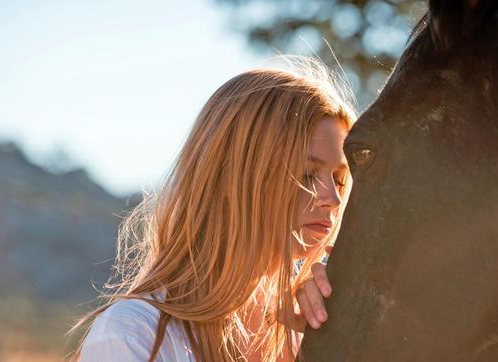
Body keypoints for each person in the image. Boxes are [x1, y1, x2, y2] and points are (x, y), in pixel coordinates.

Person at [72, 57, 356, 362]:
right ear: (236, 177)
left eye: (339, 180)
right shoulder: (132, 335)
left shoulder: (312, 334)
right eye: (306, 175)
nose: (332, 199)